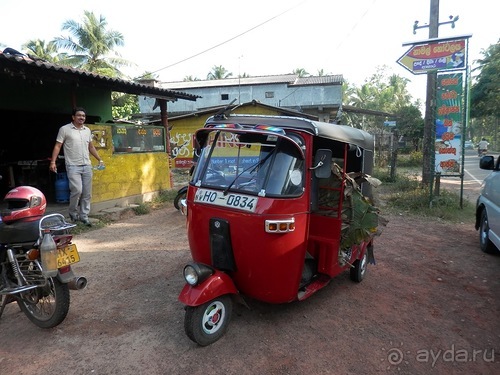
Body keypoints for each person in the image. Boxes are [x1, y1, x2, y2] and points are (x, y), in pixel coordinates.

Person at [49, 107, 104, 226]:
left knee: (87, 193)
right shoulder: (64, 129)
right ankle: (73, 213)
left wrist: (99, 159)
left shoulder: (87, 130)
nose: (81, 118)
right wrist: (53, 162)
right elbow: (58, 146)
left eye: (83, 116)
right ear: (73, 117)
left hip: (87, 165)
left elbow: (91, 147)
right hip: (73, 165)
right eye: (79, 115)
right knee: (77, 190)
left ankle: (84, 216)